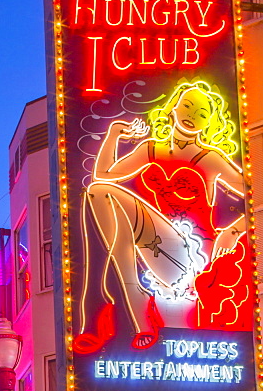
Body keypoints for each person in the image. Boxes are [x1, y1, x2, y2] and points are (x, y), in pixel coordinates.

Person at [74, 80, 252, 352]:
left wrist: (234, 230)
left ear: (209, 123)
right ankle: (126, 299)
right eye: (188, 106)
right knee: (98, 193)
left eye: (202, 113)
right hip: (155, 245)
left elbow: (258, 196)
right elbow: (103, 177)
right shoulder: (150, 150)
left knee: (103, 198)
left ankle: (115, 303)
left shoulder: (211, 159)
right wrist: (114, 134)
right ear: (173, 109)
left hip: (193, 254)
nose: (192, 116)